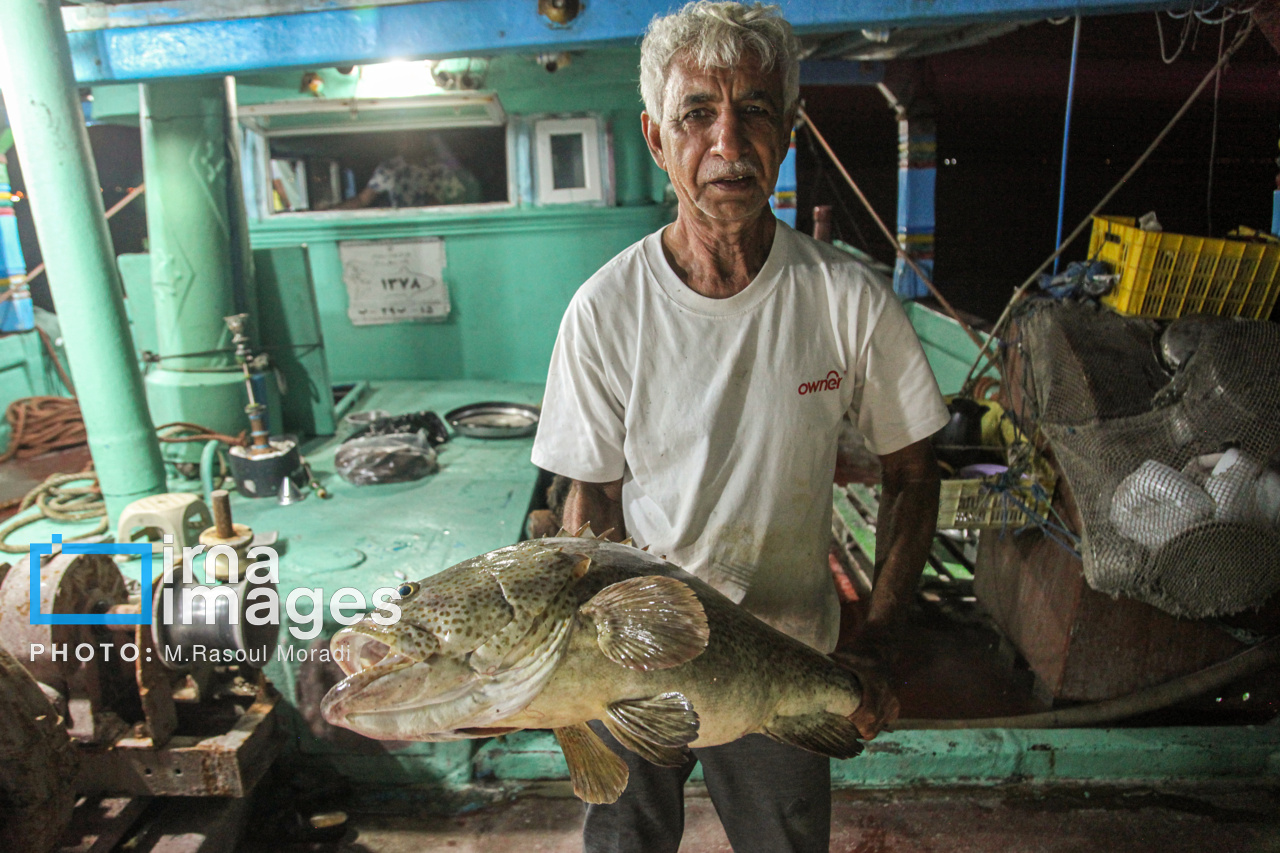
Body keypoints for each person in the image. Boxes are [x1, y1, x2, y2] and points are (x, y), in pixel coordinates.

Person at [530, 2, 948, 850]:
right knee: (622, 841)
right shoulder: (606, 311)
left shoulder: (845, 299)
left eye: (755, 109)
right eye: (697, 114)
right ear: (655, 138)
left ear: (788, 131)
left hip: (784, 655)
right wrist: (584, 666)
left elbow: (912, 471)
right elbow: (591, 506)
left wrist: (878, 639)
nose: (728, 141)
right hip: (635, 655)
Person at [333, 133, 482, 209]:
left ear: (421, 141)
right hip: (400, 232)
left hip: (435, 231)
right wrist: (330, 211)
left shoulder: (438, 168)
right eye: (402, 139)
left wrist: (438, 205)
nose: (406, 143)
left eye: (412, 138)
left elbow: (461, 200)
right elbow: (363, 199)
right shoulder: (389, 168)